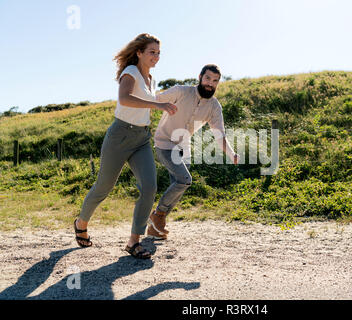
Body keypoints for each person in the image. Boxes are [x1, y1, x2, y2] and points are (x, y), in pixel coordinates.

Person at [73, 33, 177, 259]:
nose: (156, 57)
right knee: (104, 186)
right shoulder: (130, 73)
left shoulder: (151, 80)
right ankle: (81, 222)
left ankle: (133, 242)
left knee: (149, 187)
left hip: (141, 138)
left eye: (158, 53)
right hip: (120, 135)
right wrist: (158, 105)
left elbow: (143, 106)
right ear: (139, 53)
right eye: (152, 52)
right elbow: (125, 99)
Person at [147, 64, 239, 240]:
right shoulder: (181, 91)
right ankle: (157, 215)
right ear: (200, 77)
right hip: (164, 143)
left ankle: (155, 228)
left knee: (180, 186)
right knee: (185, 180)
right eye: (207, 79)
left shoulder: (214, 107)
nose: (210, 84)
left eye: (215, 81)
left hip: (183, 147)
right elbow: (155, 100)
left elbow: (220, 134)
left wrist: (231, 153)